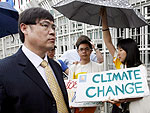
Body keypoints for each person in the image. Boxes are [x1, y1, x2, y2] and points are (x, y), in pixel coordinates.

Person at [0, 7, 71, 113]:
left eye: (53, 27)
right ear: (24, 28)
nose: (52, 32)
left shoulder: (55, 66)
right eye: (45, 25)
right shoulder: (4, 70)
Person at [101, 7, 150, 113]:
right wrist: (103, 19)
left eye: (121, 50)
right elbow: (108, 41)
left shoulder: (140, 69)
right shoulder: (120, 64)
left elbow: (140, 94)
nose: (117, 53)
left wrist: (124, 99)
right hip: (118, 107)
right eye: (117, 50)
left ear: (130, 51)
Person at [68, 35, 103, 113]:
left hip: (94, 108)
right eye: (81, 49)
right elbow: (70, 89)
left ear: (90, 51)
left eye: (86, 49)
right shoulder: (73, 68)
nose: (84, 52)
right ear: (78, 52)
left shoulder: (98, 67)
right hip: (77, 108)